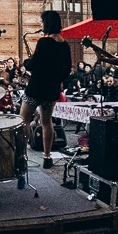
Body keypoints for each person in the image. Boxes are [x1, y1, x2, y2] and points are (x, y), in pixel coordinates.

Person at [20, 10, 72, 168]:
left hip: (36, 87)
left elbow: (34, 64)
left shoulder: (44, 42)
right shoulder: (64, 44)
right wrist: (57, 79)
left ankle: (22, 155)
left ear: (47, 23)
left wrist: (26, 63)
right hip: (52, 89)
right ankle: (47, 157)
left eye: (42, 21)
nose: (41, 24)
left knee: (23, 120)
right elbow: (67, 69)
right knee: (47, 122)